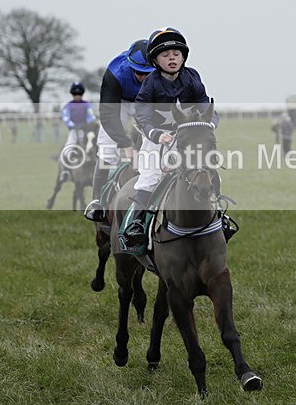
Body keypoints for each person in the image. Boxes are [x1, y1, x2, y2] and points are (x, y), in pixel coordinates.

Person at [121, 27, 220, 246]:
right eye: (165, 55)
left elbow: (204, 102)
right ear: (155, 61)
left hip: (186, 136)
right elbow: (142, 113)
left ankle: (219, 214)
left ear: (184, 57)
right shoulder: (151, 82)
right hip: (157, 137)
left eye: (176, 54)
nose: (172, 58)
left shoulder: (192, 76)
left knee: (208, 169)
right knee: (150, 176)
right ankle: (136, 225)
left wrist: (210, 123)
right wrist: (156, 135)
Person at [83, 40, 155, 222]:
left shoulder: (162, 69)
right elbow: (108, 115)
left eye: (148, 73)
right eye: (139, 73)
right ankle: (97, 201)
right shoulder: (115, 72)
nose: (143, 78)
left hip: (147, 102)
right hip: (120, 102)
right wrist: (125, 143)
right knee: (107, 147)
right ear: (130, 66)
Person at [61, 82, 97, 149]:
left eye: (79, 93)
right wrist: (72, 125)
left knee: (89, 141)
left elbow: (91, 116)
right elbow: (66, 117)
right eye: (75, 94)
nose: (77, 95)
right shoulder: (68, 105)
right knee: (70, 142)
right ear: (72, 94)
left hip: (85, 129)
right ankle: (66, 156)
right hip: (74, 129)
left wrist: (87, 124)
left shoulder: (87, 105)